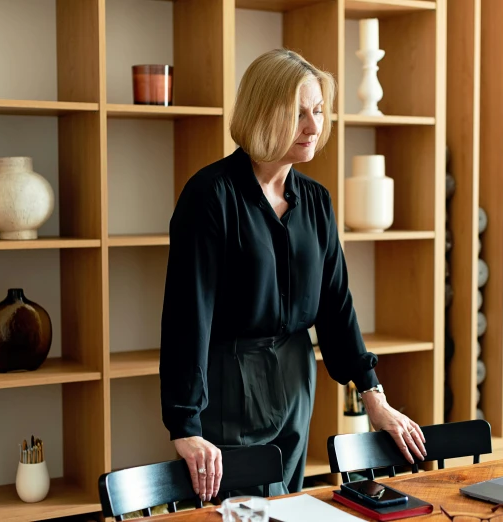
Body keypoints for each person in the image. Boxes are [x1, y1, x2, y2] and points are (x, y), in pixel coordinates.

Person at [159, 48, 426, 503]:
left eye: (319, 111)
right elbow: (188, 315)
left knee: (288, 506)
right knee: (243, 511)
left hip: (297, 377)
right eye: (299, 112)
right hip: (232, 380)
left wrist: (373, 394)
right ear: (262, 114)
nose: (314, 126)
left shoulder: (317, 201)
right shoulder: (210, 196)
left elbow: (337, 305)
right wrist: (184, 424)